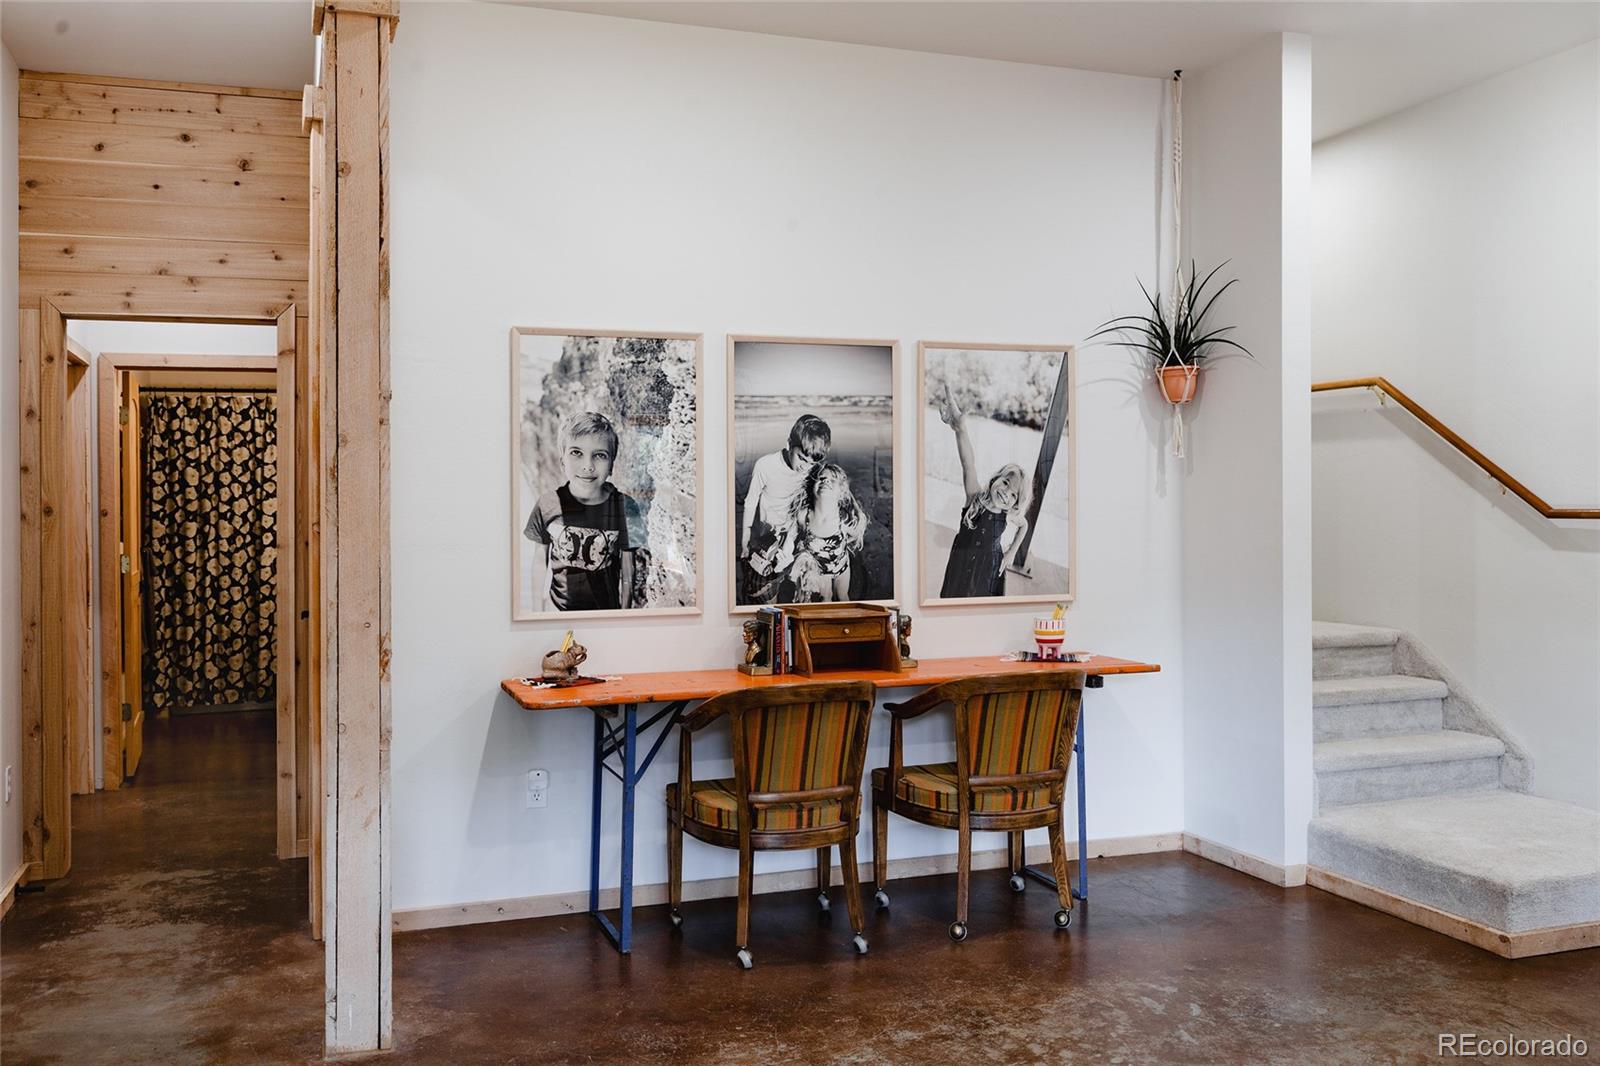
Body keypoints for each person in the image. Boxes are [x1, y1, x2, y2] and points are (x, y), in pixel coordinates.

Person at [523, 412, 643, 611]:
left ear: (612, 464)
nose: (588, 466)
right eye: (576, 453)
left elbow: (629, 571)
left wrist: (624, 615)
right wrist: (537, 611)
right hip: (558, 609)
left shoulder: (625, 507)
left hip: (606, 612)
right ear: (562, 461)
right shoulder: (547, 504)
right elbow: (539, 560)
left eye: (600, 455)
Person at [938, 390, 1031, 599]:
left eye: (1014, 494)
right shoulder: (975, 497)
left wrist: (1011, 553)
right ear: (996, 478)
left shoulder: (1008, 514)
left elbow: (1023, 525)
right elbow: (968, 464)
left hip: (988, 570)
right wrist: (960, 430)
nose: (1006, 493)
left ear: (1016, 503)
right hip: (961, 564)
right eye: (1005, 483)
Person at [738, 413, 831, 603]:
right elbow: (751, 500)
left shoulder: (811, 471)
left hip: (791, 533)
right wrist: (746, 534)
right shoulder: (765, 465)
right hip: (763, 533)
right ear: (789, 443)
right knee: (757, 586)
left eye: (812, 463)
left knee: (790, 581)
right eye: (802, 459)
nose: (805, 467)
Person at [782, 462, 868, 603]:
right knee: (825, 597)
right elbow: (792, 534)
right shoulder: (805, 516)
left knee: (842, 597)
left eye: (832, 480)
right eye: (821, 478)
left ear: (841, 493)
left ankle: (844, 623)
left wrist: (844, 545)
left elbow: (855, 533)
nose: (825, 481)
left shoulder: (844, 520)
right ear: (813, 488)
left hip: (841, 565)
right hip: (819, 568)